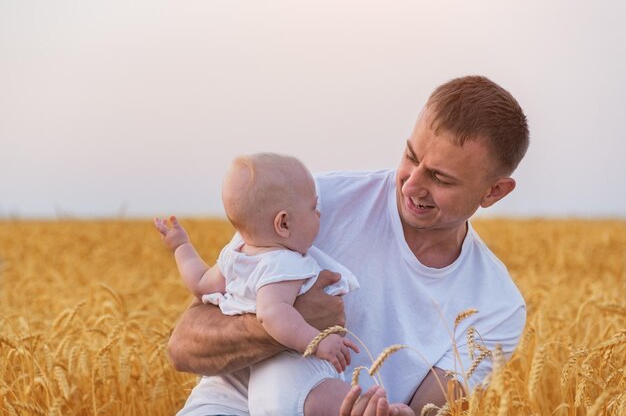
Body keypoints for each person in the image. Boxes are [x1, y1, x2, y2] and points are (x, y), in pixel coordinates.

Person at [167, 75, 530, 416]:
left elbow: (424, 409)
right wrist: (287, 323)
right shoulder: (310, 205)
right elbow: (184, 346)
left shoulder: (497, 307)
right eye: (411, 157)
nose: (410, 185)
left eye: (440, 178)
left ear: (494, 192)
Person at [154, 153, 361, 416]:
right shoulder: (283, 264)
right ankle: (375, 410)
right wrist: (318, 341)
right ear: (283, 223)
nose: (319, 213)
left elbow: (200, 283)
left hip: (247, 368)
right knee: (323, 395)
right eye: (313, 208)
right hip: (288, 360)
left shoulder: (235, 256)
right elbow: (271, 313)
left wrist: (181, 247)